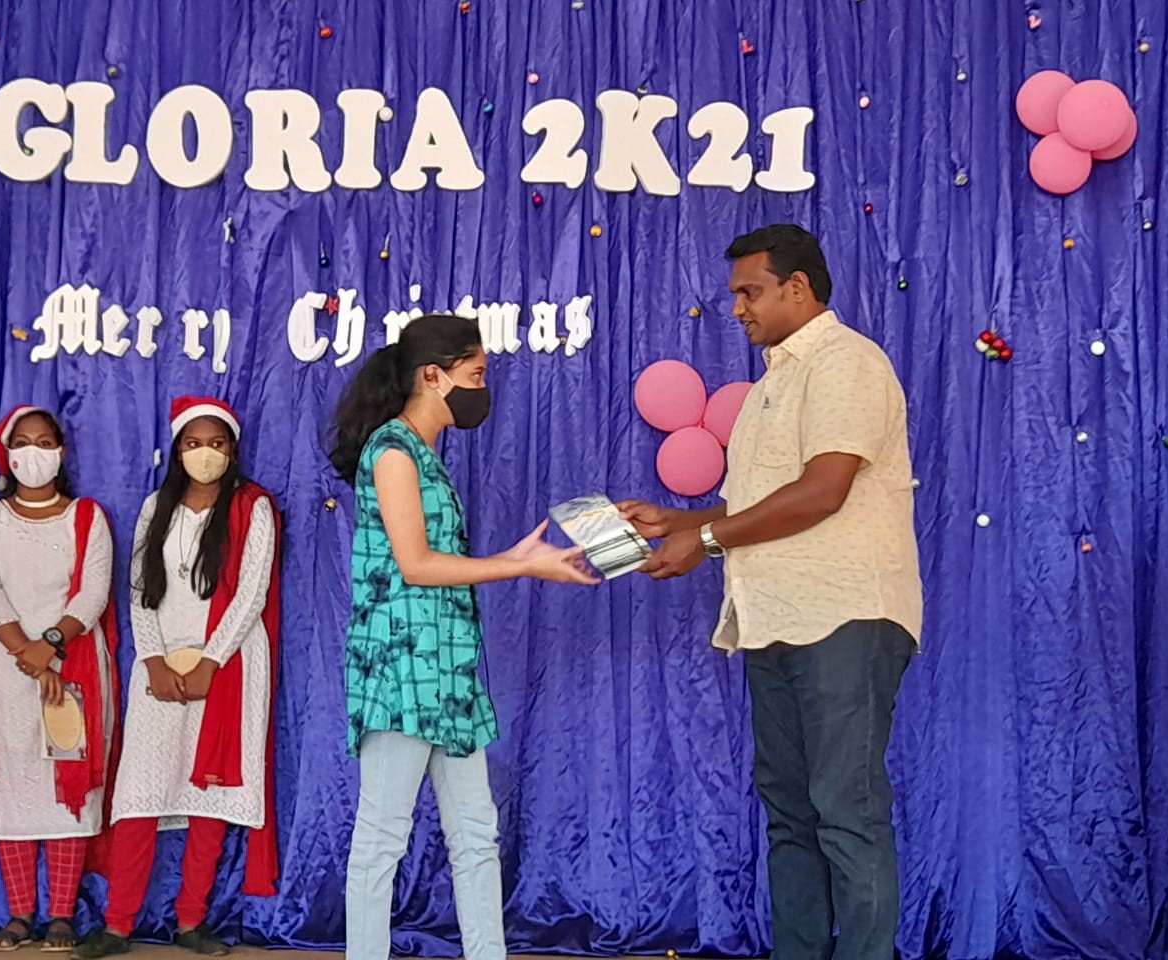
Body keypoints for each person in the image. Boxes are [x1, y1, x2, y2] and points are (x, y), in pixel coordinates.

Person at [619, 224, 923, 960]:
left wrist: (706, 540)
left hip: (845, 616)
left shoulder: (847, 362)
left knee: (845, 812)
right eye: (735, 295)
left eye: (750, 292)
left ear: (798, 287)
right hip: (772, 619)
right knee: (790, 817)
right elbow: (756, 505)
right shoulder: (769, 386)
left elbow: (822, 492)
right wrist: (681, 521)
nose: (737, 309)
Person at [330, 313, 596, 960]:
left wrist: (516, 561)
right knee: (382, 837)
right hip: (402, 670)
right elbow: (417, 564)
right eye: (475, 374)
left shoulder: (423, 456)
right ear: (433, 375)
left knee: (476, 833)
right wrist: (519, 564)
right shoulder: (393, 452)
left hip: (448, 672)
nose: (482, 388)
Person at [74, 397, 280, 960]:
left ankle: (192, 920)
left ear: (232, 450)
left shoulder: (252, 507)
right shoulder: (155, 507)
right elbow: (141, 589)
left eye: (216, 444)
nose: (205, 453)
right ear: (177, 450)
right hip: (159, 666)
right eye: (193, 443)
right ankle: (117, 925)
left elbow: (251, 593)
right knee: (138, 796)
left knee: (208, 796)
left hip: (230, 665)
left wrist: (211, 660)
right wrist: (154, 660)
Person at [0, 406, 118, 952]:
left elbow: (94, 592)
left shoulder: (87, 517)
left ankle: (61, 915)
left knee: (65, 790)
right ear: (7, 455)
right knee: (9, 787)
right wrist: (26, 653)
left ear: (62, 451)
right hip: (5, 671)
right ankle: (18, 914)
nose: (34, 452)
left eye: (45, 442)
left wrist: (50, 647)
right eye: (23, 442)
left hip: (73, 664)